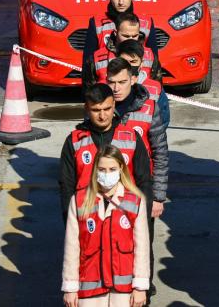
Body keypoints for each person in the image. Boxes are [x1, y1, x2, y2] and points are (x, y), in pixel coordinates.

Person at [62, 145, 151, 307]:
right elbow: (72, 248)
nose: (107, 174)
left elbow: (142, 249)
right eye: (102, 169)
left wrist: (140, 287)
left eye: (112, 169)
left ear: (121, 169)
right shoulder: (79, 200)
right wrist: (70, 288)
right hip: (89, 288)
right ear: (95, 170)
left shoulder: (135, 201)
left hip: (123, 291)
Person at [58, 85, 153, 224]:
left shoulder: (132, 137)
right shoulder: (74, 141)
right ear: (86, 108)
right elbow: (66, 186)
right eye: (96, 110)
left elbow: (145, 182)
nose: (102, 116)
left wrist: (145, 221)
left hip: (126, 221)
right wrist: (70, 223)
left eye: (107, 109)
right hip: (88, 222)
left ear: (114, 104)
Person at [105, 60, 168, 226]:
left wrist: (158, 197)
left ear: (133, 80)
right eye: (111, 82)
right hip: (107, 192)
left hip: (141, 190)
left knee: (143, 247)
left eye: (122, 82)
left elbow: (160, 154)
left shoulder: (150, 108)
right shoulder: (100, 108)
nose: (116, 88)